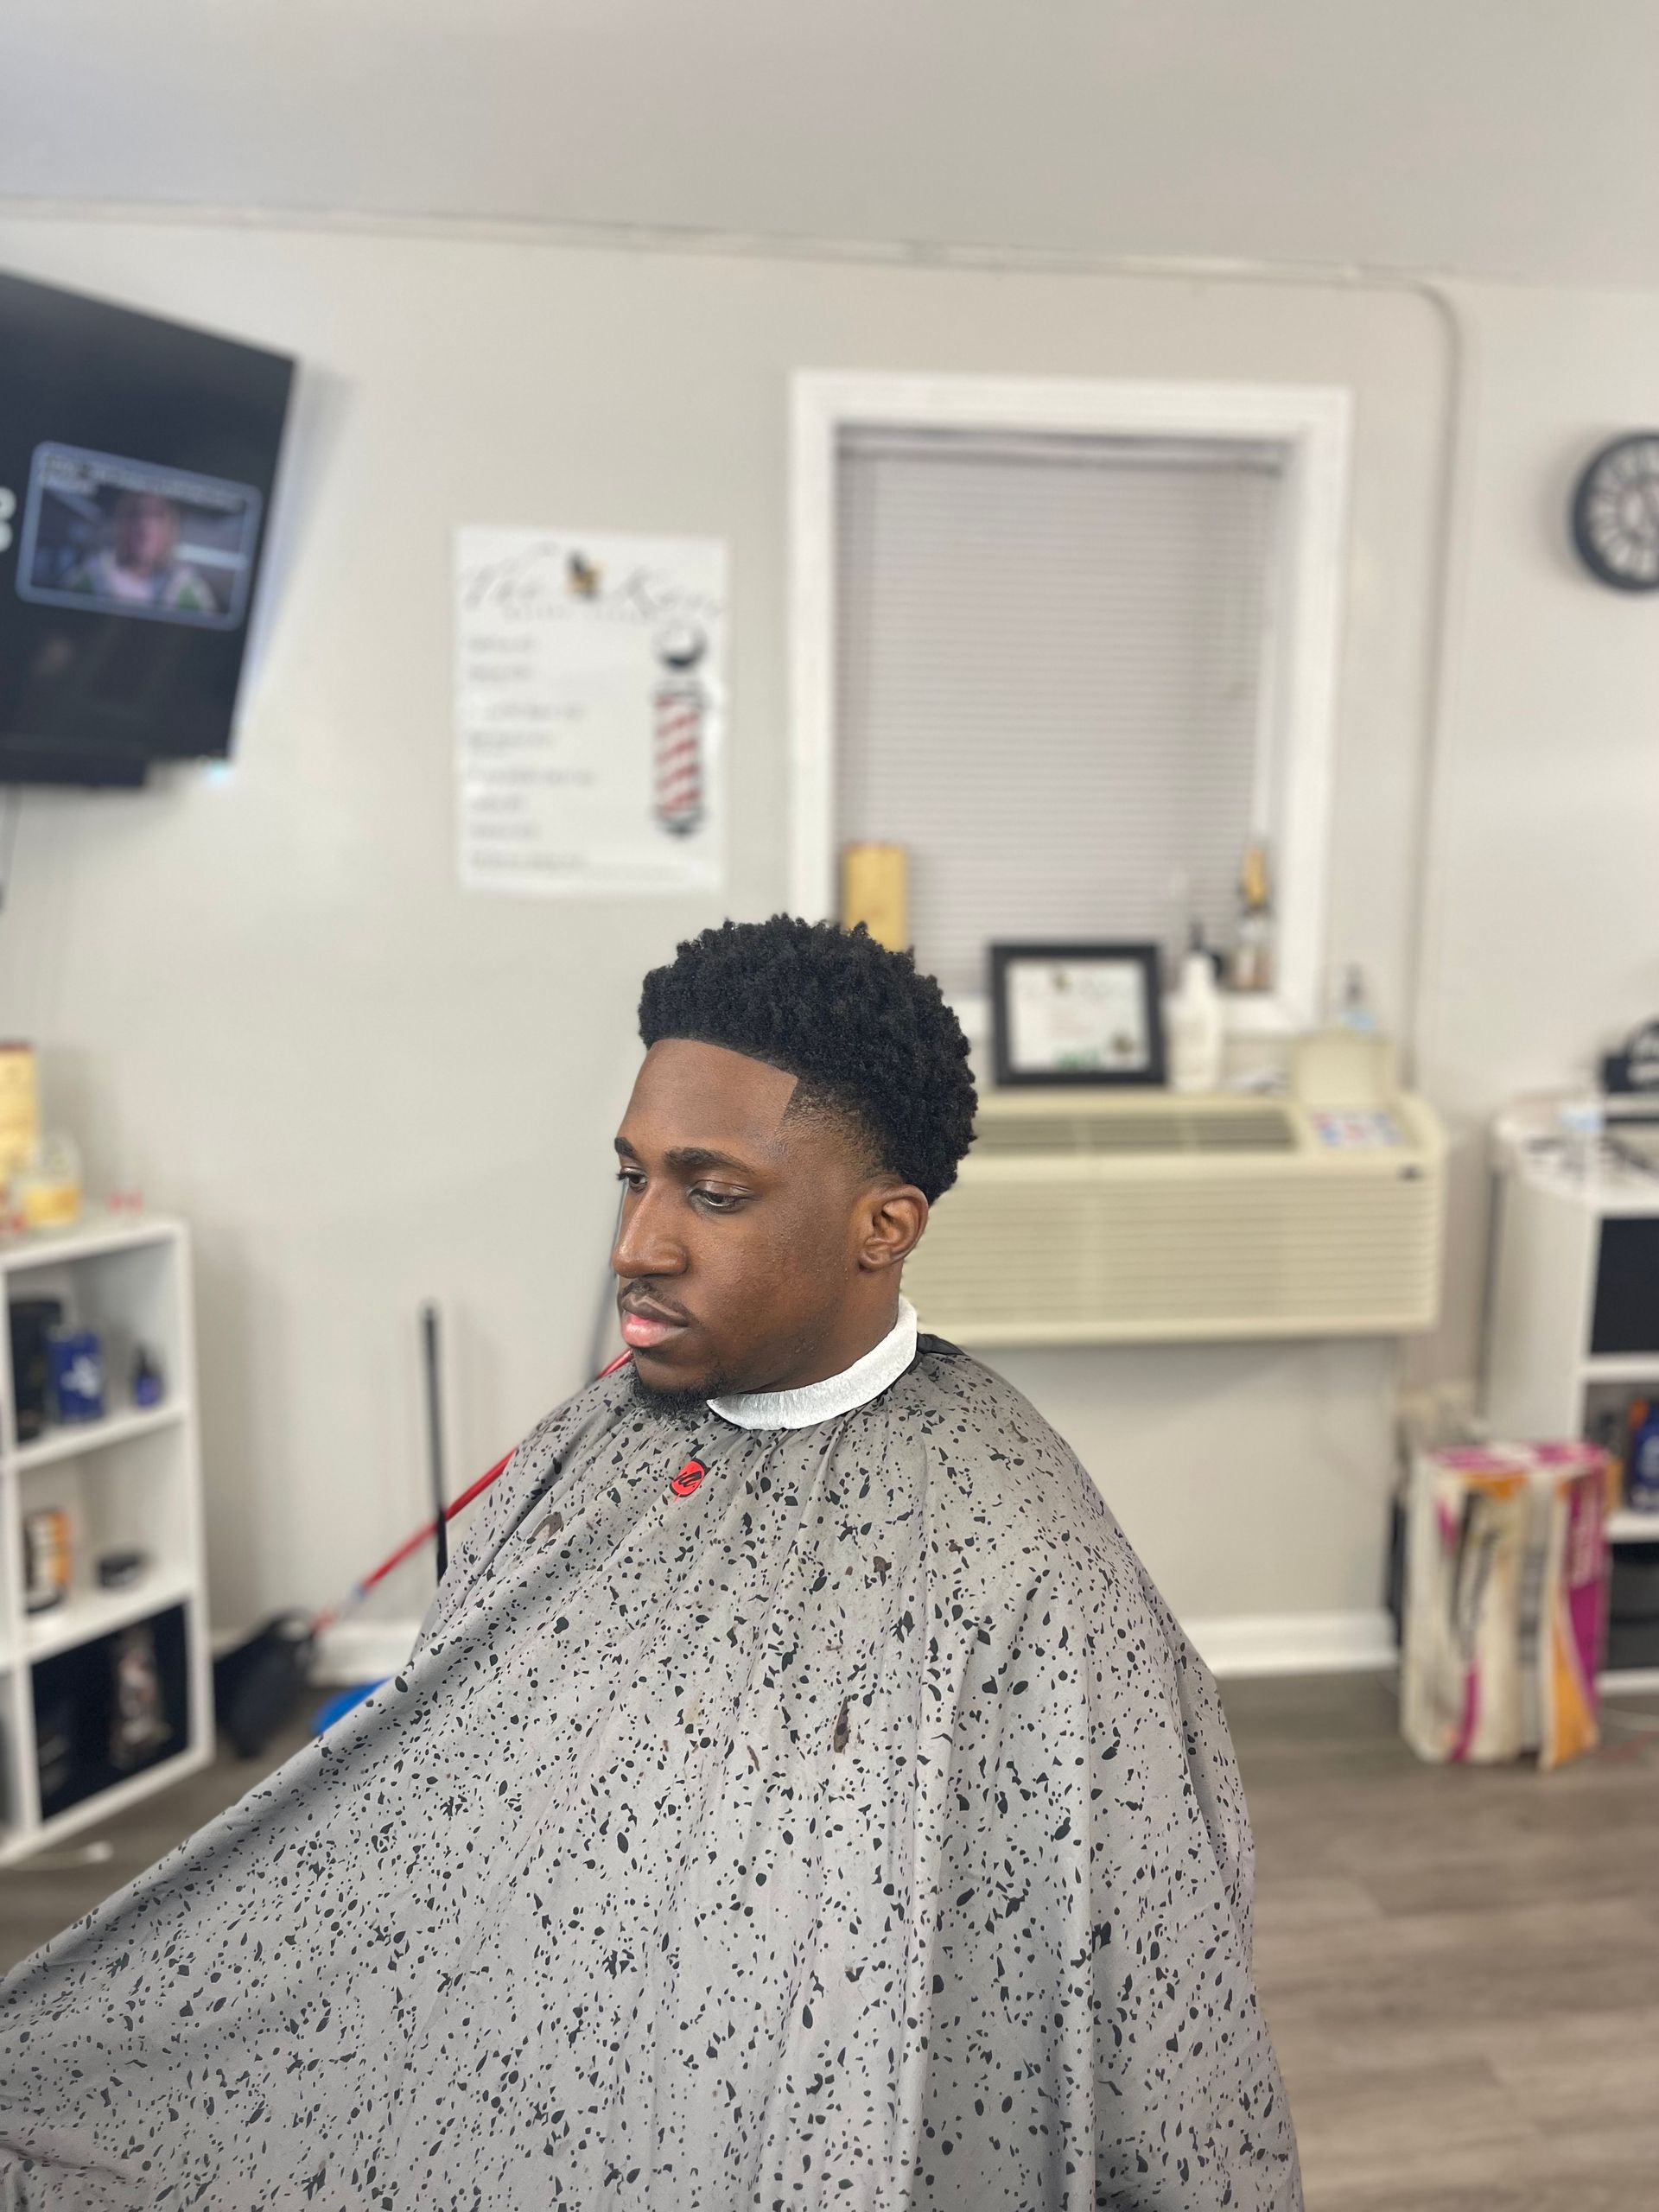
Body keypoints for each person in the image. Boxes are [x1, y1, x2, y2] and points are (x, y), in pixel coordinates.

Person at [0, 917, 1300, 2209]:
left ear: (883, 1226)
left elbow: (1161, 2062)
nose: (639, 1244)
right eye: (633, 1178)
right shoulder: (578, 1457)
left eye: (713, 1193)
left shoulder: (1026, 1568)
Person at [61, 489, 217, 614]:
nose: (144, 525)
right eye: (136, 513)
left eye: (157, 515)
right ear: (122, 523)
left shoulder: (191, 593)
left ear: (170, 527)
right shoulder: (88, 579)